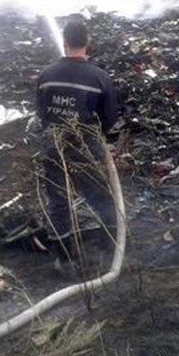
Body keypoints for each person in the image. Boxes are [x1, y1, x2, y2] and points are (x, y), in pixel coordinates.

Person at [35, 20, 118, 257]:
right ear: (88, 43)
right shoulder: (99, 77)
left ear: (64, 42)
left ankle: (64, 256)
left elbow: (41, 114)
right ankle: (110, 244)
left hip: (52, 145)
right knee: (100, 194)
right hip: (86, 147)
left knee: (58, 199)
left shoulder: (46, 75)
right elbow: (109, 118)